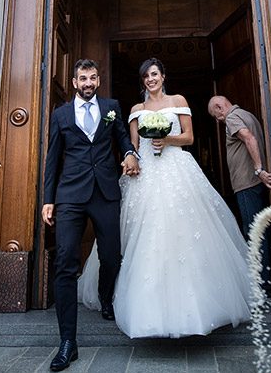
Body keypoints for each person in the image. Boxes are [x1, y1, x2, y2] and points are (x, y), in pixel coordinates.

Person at [80, 59, 253, 339]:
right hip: (146, 171)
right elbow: (133, 145)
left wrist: (167, 140)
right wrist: (130, 160)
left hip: (176, 166)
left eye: (155, 74)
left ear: (163, 76)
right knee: (142, 230)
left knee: (183, 227)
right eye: (146, 76)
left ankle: (197, 303)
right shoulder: (137, 109)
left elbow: (189, 137)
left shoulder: (178, 100)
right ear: (143, 80)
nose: (151, 79)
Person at [41, 59, 140, 373]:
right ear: (74, 82)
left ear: (98, 80)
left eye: (93, 77)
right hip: (69, 195)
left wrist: (129, 153)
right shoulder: (60, 114)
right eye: (82, 78)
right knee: (66, 261)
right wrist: (48, 200)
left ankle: (105, 294)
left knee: (111, 256)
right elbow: (53, 158)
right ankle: (67, 342)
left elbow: (122, 137)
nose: (87, 82)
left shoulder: (111, 107)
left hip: (105, 193)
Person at [206, 95, 271, 295]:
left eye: (216, 115)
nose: (218, 120)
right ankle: (268, 284)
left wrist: (259, 170)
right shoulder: (248, 114)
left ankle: (262, 288)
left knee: (254, 232)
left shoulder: (232, 118)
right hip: (253, 183)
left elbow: (248, 137)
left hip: (247, 183)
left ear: (220, 107)